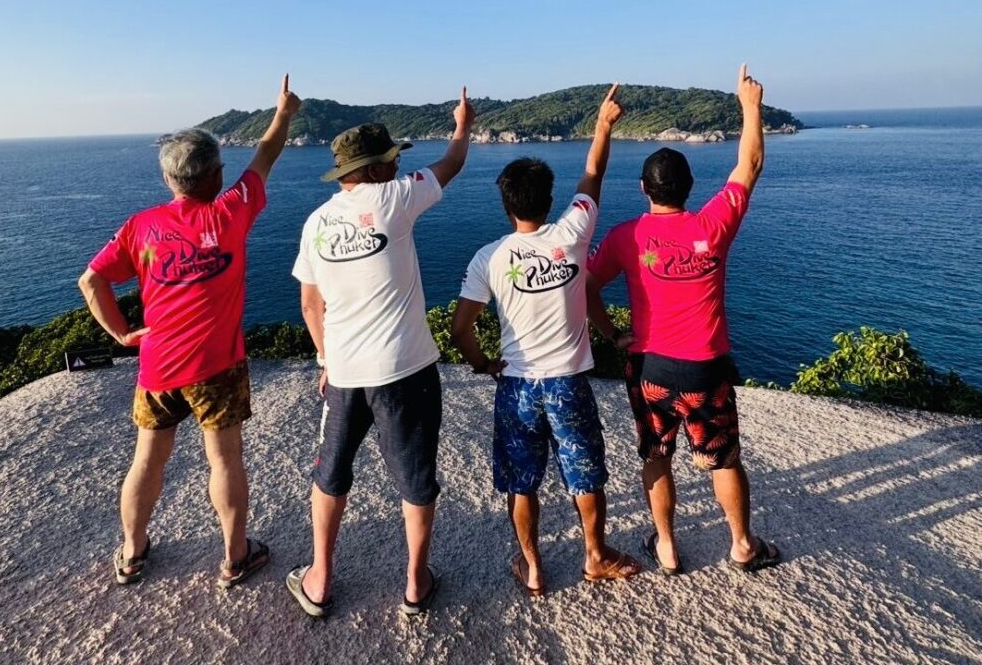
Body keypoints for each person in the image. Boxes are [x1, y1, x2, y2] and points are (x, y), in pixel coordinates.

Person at [79, 75, 302, 588]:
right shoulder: (231, 210)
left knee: (147, 461)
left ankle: (133, 552)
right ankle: (234, 555)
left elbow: (91, 280)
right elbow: (265, 156)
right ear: (217, 176)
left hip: (156, 365)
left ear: (169, 180)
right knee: (223, 459)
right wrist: (283, 113)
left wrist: (120, 334)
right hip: (216, 366)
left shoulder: (140, 226)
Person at [287, 88, 475, 618]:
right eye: (393, 158)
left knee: (331, 473)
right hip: (405, 368)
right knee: (415, 479)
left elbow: (309, 303)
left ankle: (319, 579)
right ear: (374, 168)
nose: (398, 163)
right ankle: (416, 583)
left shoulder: (316, 223)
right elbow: (454, 160)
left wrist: (325, 359)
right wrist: (462, 122)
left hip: (344, 373)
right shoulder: (396, 196)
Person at [586, 64, 781, 575]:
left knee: (656, 455)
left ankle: (667, 547)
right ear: (691, 187)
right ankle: (741, 544)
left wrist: (610, 334)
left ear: (643, 188)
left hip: (649, 369)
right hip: (706, 371)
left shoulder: (626, 237)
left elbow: (585, 283)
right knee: (723, 458)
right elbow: (750, 164)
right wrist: (750, 105)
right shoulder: (713, 225)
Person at [451, 85, 640, 597]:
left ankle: (533, 567)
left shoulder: (488, 257)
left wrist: (483, 363)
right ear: (551, 200)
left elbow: (460, 328)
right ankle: (595, 556)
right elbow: (593, 176)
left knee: (521, 479)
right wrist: (603, 125)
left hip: (517, 385)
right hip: (568, 382)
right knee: (584, 472)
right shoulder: (572, 233)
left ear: (505, 205)